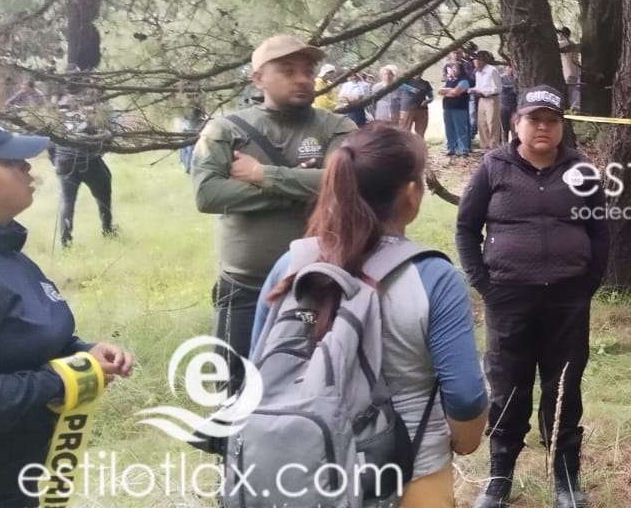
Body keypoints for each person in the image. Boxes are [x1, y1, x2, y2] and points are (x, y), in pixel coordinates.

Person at [252, 123, 489, 507]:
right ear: (411, 194)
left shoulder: (291, 268)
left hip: (302, 472)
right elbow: (464, 396)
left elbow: (259, 368)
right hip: (411, 469)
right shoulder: (434, 277)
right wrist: (466, 440)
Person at [0, 113, 135, 507]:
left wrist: (82, 352)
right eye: (9, 161)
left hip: (14, 471)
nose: (26, 166)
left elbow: (19, 334)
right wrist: (65, 378)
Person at [455, 86, 607, 508]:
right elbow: (466, 228)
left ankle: (565, 478)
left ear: (561, 127)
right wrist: (485, 285)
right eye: (534, 119)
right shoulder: (493, 167)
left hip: (568, 299)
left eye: (552, 120)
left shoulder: (581, 170)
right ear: (516, 123)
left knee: (565, 388)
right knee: (507, 387)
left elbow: (599, 231)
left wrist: (587, 284)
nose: (543, 127)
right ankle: (499, 477)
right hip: (508, 297)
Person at [191, 35, 356, 395]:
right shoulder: (226, 130)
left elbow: (344, 185)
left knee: (315, 390)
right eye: (287, 70)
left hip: (316, 285)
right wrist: (302, 187)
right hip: (244, 288)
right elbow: (208, 195)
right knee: (233, 391)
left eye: (308, 71)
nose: (302, 79)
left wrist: (262, 175)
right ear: (258, 79)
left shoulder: (337, 128)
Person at [51, 92, 116, 248]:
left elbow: (50, 142)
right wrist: (99, 153)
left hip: (64, 161)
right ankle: (107, 229)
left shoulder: (57, 115)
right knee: (103, 193)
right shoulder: (92, 113)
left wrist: (56, 161)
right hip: (89, 161)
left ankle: (65, 241)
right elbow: (107, 139)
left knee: (67, 201)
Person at [471, 52, 503, 150]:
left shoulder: (492, 70)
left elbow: (497, 88)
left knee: (492, 123)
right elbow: (478, 86)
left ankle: (494, 146)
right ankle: (485, 146)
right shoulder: (477, 72)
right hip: (481, 99)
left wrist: (485, 92)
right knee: (482, 123)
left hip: (492, 99)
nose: (474, 62)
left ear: (482, 61)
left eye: (476, 60)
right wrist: (473, 90)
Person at [440, 63, 472, 156]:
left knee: (460, 128)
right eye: (452, 69)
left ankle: (463, 149)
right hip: (447, 107)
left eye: (455, 69)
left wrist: (447, 92)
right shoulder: (449, 80)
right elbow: (440, 91)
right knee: (449, 129)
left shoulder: (464, 81)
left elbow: (456, 92)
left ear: (460, 70)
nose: (453, 71)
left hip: (459, 108)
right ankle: (451, 148)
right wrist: (451, 91)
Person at [402, 74, 435, 138]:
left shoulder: (425, 83)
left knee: (421, 132)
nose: (418, 73)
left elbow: (431, 97)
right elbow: (399, 85)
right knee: (405, 130)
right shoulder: (406, 81)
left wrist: (427, 101)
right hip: (408, 109)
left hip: (422, 109)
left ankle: (419, 143)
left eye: (420, 71)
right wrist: (411, 89)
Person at [556, 28, 582, 111]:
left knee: (570, 90)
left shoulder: (565, 43)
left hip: (569, 72)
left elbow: (554, 45)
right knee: (573, 89)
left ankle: (573, 108)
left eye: (561, 34)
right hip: (574, 71)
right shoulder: (571, 43)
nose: (559, 36)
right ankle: (573, 107)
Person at [498, 60, 518, 144]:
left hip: (514, 106)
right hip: (504, 105)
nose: (511, 69)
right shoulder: (501, 78)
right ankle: (504, 144)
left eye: (512, 68)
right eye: (509, 67)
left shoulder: (517, 79)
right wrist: (512, 88)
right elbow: (501, 88)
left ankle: (514, 143)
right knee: (504, 128)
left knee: (514, 127)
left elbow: (518, 90)